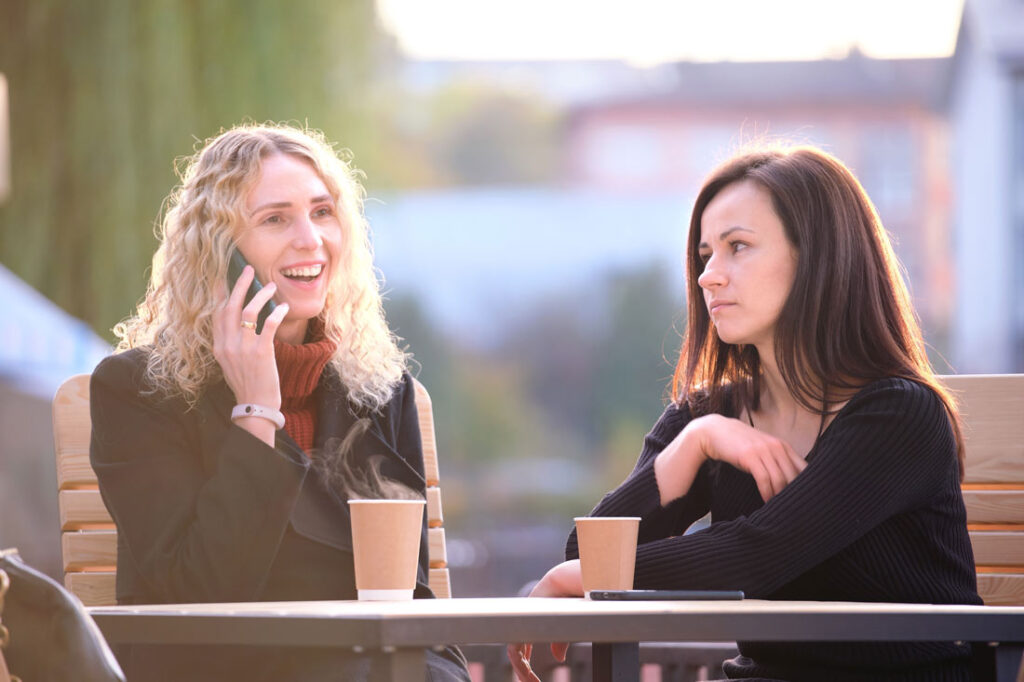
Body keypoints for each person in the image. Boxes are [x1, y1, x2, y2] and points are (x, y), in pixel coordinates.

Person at [508, 145, 982, 682]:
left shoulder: (899, 416)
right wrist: (694, 443)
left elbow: (759, 553)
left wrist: (585, 574)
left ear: (818, 258)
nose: (709, 275)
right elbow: (588, 550)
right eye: (706, 254)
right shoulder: (711, 417)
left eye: (738, 247)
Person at [89, 123, 470, 682]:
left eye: (322, 212)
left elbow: (406, 595)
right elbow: (198, 593)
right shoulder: (139, 390)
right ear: (219, 253)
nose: (310, 240)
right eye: (274, 219)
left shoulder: (379, 390)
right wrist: (258, 409)